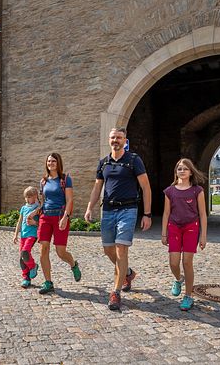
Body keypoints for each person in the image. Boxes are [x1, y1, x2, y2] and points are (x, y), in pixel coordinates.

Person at [85, 127, 152, 311]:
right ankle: (128, 273)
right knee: (108, 250)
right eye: (113, 137)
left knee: (121, 249)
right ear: (109, 140)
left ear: (125, 140)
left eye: (119, 138)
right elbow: (97, 188)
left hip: (128, 209)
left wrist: (147, 214)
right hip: (108, 210)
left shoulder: (133, 160)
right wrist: (90, 207)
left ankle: (115, 292)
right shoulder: (103, 163)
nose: (116, 140)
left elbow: (146, 187)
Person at [161, 158, 207, 311]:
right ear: (176, 172)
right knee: (174, 263)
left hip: (191, 228)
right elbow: (166, 213)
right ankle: (178, 279)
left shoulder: (197, 190)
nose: (182, 171)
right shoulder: (170, 191)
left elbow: (202, 214)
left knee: (187, 262)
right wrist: (163, 233)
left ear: (191, 172)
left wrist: (203, 235)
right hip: (174, 228)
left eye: (185, 169)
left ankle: (188, 296)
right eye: (179, 168)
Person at [37, 152, 81, 294]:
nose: (51, 163)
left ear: (58, 163)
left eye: (53, 161)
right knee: (43, 248)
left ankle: (73, 264)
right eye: (49, 161)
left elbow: (69, 200)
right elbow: (42, 201)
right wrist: (33, 215)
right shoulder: (43, 181)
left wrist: (65, 217)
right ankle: (48, 282)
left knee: (60, 252)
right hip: (45, 217)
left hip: (60, 216)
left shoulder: (65, 179)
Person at [13, 186, 41, 288]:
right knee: (21, 258)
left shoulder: (38, 208)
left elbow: (40, 223)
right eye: (26, 197)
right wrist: (16, 234)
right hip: (23, 235)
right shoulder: (23, 208)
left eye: (30, 197)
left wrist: (37, 208)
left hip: (32, 235)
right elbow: (19, 222)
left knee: (25, 252)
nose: (27, 199)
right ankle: (26, 278)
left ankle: (33, 266)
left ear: (35, 197)